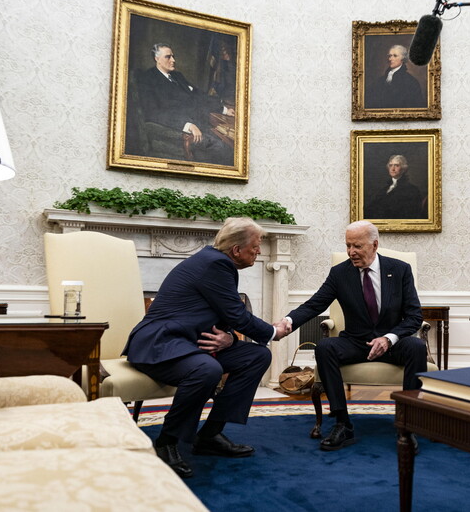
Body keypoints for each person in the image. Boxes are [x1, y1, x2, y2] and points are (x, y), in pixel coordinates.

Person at [122, 217, 292, 478]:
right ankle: (167, 441)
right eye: (256, 246)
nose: (259, 251)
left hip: (188, 344)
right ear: (236, 250)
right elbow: (236, 315)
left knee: (257, 355)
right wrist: (273, 331)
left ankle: (210, 435)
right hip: (160, 344)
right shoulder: (215, 264)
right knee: (207, 369)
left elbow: (223, 318)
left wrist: (230, 339)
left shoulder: (217, 262)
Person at [282, 221, 426, 451]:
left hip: (391, 343)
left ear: (375, 244)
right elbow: (314, 305)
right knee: (325, 347)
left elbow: (414, 316)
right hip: (356, 342)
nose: (351, 252)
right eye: (348, 245)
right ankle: (342, 423)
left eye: (357, 246)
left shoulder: (400, 270)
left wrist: (389, 338)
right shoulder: (340, 273)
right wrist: (288, 322)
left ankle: (408, 424)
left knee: (416, 347)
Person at [136, 43, 234, 165]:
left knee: (230, 143)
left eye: (173, 56)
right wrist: (187, 125)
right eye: (168, 57)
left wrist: (224, 109)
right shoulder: (148, 79)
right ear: (157, 59)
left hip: (202, 125)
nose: (173, 60)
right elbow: (154, 112)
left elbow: (198, 95)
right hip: (181, 131)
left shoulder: (177, 76)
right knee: (224, 150)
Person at [364, 154, 426, 220]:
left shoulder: (412, 190)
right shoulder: (384, 189)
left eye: (397, 165)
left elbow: (410, 214)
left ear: (403, 169)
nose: (393, 169)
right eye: (390, 165)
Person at [365, 45, 425, 109]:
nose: (390, 59)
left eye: (395, 56)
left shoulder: (411, 81)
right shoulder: (381, 80)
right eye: (390, 55)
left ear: (403, 58)